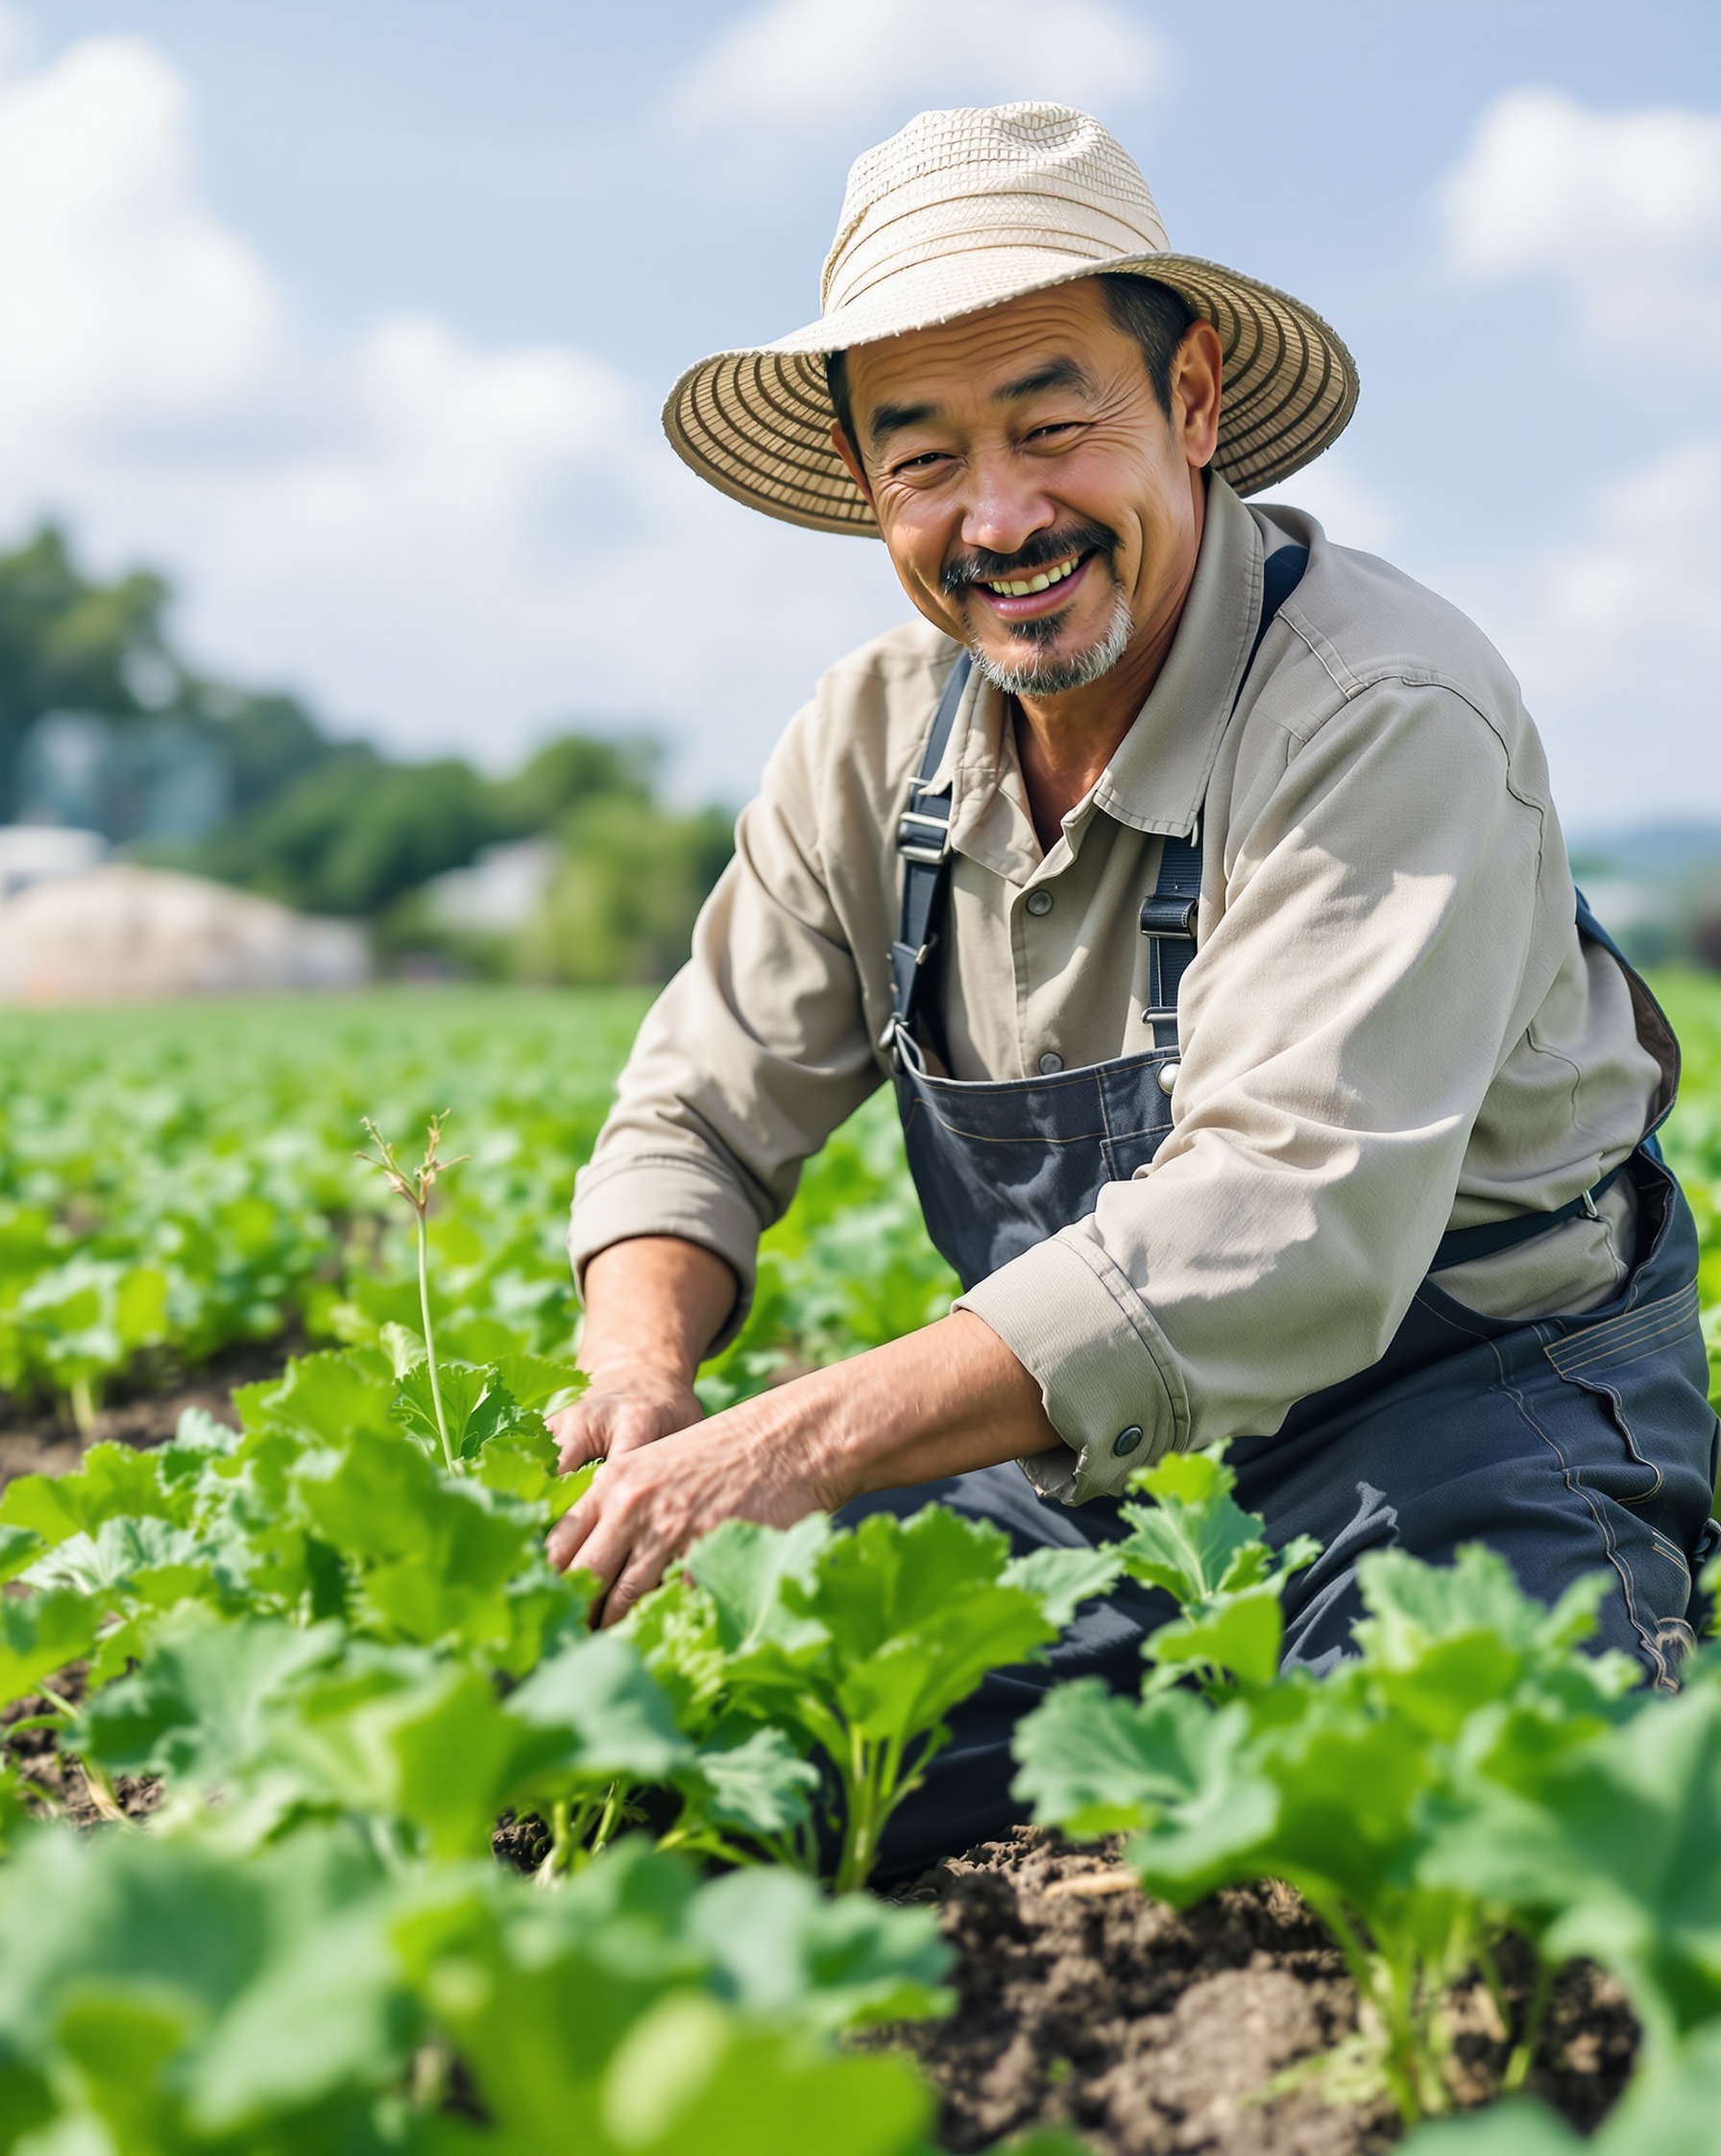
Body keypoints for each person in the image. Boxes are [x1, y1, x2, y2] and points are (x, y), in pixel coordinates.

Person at [545, 103, 1717, 1877]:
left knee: (1492, 1848)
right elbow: (696, 1108)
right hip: (1101, 1460)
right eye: (924, 455)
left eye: (1053, 422)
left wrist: (803, 1440)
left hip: (1469, 1406)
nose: (1000, 517)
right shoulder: (871, 741)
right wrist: (639, 1370)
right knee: (737, 1777)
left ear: (1193, 405)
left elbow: (1286, 1224)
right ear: (869, 489)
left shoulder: (1378, 708)